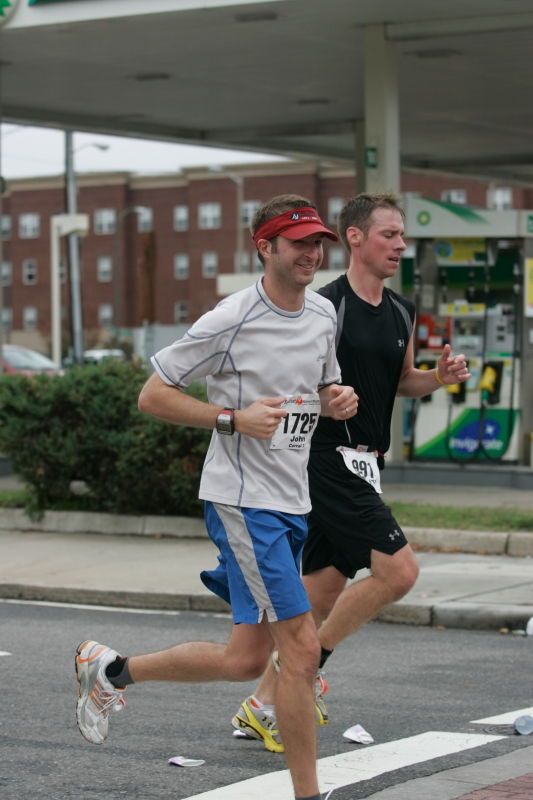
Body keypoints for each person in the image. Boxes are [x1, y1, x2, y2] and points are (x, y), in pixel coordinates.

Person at [74, 193, 358, 800]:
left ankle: (111, 669)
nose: (312, 253)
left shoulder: (321, 316)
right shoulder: (230, 318)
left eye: (317, 243)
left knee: (243, 662)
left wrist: (338, 398)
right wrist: (232, 419)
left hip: (291, 500)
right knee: (302, 650)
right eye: (299, 241)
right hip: (242, 501)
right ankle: (307, 793)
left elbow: (326, 383)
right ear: (266, 247)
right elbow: (153, 395)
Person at [233, 192, 471, 753]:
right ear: (356, 238)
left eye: (402, 236)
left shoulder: (402, 310)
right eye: (389, 234)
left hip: (367, 463)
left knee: (320, 594)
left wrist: (436, 377)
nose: (400, 245)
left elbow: (400, 379)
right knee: (399, 572)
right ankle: (307, 673)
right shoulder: (325, 307)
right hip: (324, 458)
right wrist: (324, 399)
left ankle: (262, 704)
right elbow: (296, 379)